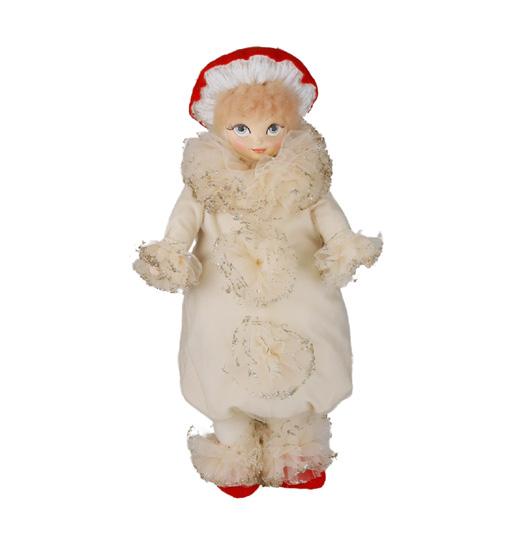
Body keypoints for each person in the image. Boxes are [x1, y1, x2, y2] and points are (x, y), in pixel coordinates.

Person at [133, 46, 383, 498]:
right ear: (219, 127)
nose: (259, 141)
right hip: (221, 294)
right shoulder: (206, 180)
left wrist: (343, 244)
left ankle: (295, 448)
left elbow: (328, 217)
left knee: (308, 355)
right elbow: (184, 222)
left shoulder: (305, 178)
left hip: (301, 291)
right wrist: (171, 252)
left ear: (292, 125)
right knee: (220, 361)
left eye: (273, 128)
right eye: (241, 129)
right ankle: (234, 448)